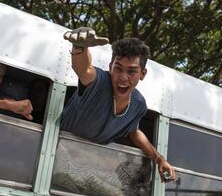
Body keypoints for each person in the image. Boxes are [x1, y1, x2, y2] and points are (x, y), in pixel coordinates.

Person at [62, 27, 176, 182]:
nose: (123, 77)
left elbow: (134, 132)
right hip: (59, 152)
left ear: (142, 74)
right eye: (118, 69)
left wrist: (159, 159)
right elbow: (84, 69)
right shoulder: (98, 82)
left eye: (131, 72)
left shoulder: (139, 104)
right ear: (110, 68)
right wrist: (80, 47)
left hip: (88, 164)